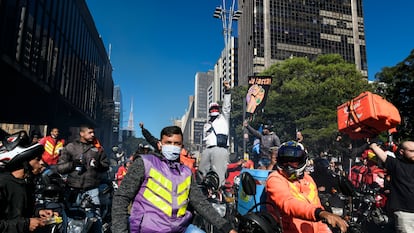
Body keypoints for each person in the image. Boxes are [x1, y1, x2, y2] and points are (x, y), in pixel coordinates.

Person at [111, 126, 237, 233]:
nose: (173, 146)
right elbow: (121, 198)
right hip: (148, 229)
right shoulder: (144, 163)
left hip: (180, 228)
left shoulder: (186, 172)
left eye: (177, 144)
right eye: (168, 143)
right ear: (160, 144)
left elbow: (201, 203)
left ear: (182, 146)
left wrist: (227, 228)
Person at [266, 141, 348, 233]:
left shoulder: (308, 179)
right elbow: (288, 204)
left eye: (294, 162)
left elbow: (317, 210)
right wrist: (319, 213)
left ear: (302, 161)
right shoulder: (275, 179)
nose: (289, 167)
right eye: (285, 162)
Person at [0, 131, 56, 233]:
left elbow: (19, 211)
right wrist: (26, 224)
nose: (41, 164)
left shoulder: (25, 184)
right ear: (23, 161)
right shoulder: (2, 183)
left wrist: (38, 212)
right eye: (37, 159)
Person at [56, 125, 109, 232]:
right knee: (71, 221)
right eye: (90, 132)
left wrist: (99, 165)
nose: (93, 135)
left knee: (96, 220)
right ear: (82, 133)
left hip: (92, 190)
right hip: (72, 190)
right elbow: (60, 168)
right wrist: (73, 164)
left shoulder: (98, 148)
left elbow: (106, 166)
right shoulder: (71, 147)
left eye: (93, 132)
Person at [369, 140, 414, 233]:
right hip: (404, 212)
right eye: (412, 151)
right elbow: (382, 155)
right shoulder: (396, 164)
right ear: (402, 152)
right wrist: (373, 145)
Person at [199, 81, 232, 186]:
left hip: (219, 148)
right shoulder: (207, 124)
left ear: (218, 109)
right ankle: (203, 191)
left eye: (216, 108)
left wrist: (227, 91)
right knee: (201, 171)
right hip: (207, 149)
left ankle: (219, 193)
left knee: (219, 174)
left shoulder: (223, 118)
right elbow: (205, 139)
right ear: (209, 111)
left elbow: (226, 107)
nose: (214, 110)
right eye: (212, 109)